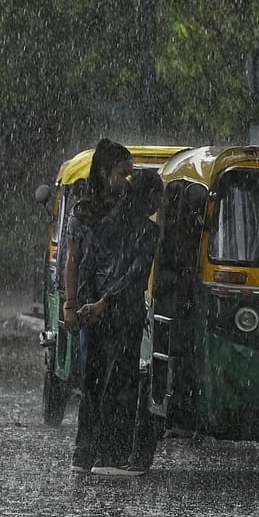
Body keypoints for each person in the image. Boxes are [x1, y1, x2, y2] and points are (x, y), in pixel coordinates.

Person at [78, 169, 163, 477]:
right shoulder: (149, 232)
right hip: (123, 314)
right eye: (157, 196)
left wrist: (91, 301)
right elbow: (135, 274)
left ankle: (85, 452)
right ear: (149, 197)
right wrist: (107, 302)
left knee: (94, 383)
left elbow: (88, 264)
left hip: (97, 314)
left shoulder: (107, 223)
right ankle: (111, 453)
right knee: (122, 385)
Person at [63, 138, 132, 474]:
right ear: (106, 173)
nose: (127, 180)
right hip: (92, 309)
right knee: (92, 381)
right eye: (123, 173)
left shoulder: (129, 210)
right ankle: (86, 451)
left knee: (120, 382)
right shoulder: (83, 213)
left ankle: (112, 451)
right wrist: (70, 305)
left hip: (119, 303)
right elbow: (72, 262)